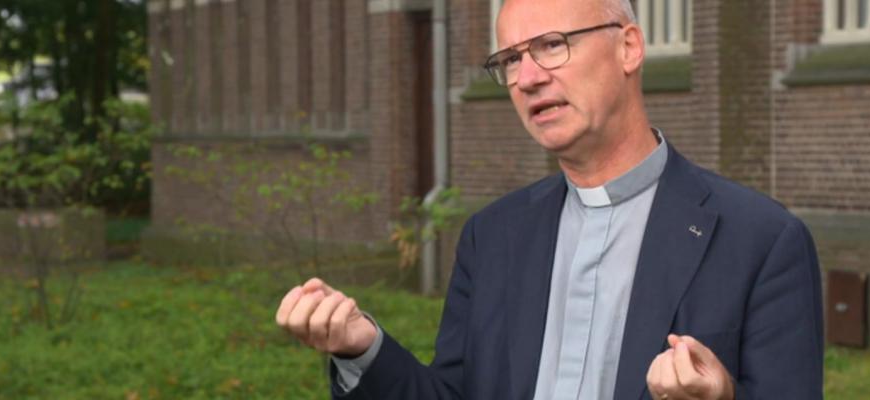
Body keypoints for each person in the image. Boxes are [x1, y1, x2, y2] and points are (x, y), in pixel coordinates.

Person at [275, 0, 824, 398]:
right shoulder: (492, 236)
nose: (527, 78)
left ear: (629, 47)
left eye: (551, 45)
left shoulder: (761, 240)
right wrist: (362, 348)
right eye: (511, 59)